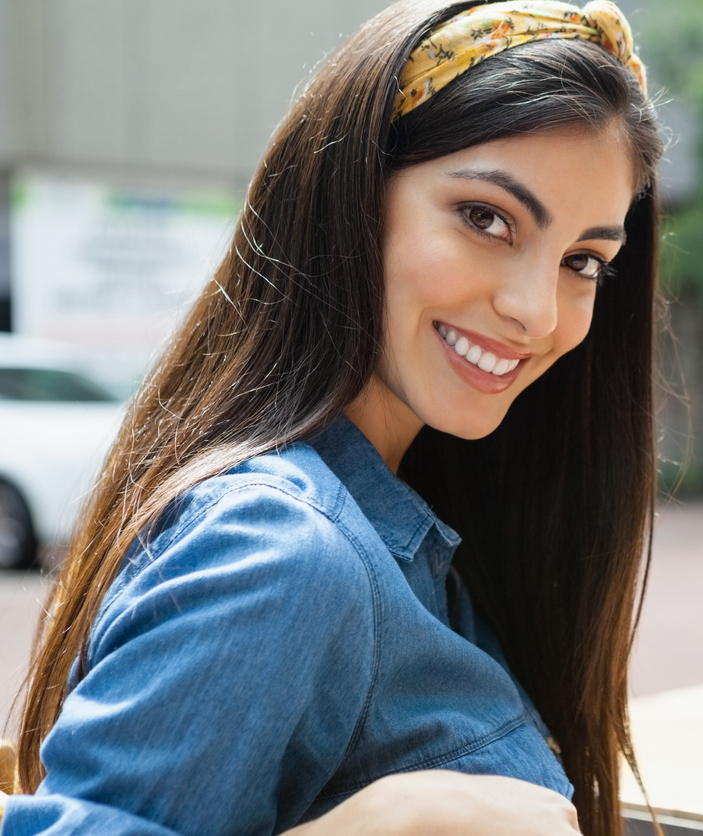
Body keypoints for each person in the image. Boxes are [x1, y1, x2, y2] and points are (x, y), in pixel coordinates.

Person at [0, 1, 663, 834]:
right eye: (486, 218)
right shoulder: (282, 549)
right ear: (347, 197)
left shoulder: (412, 524)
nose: (536, 310)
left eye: (582, 262)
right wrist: (383, 824)